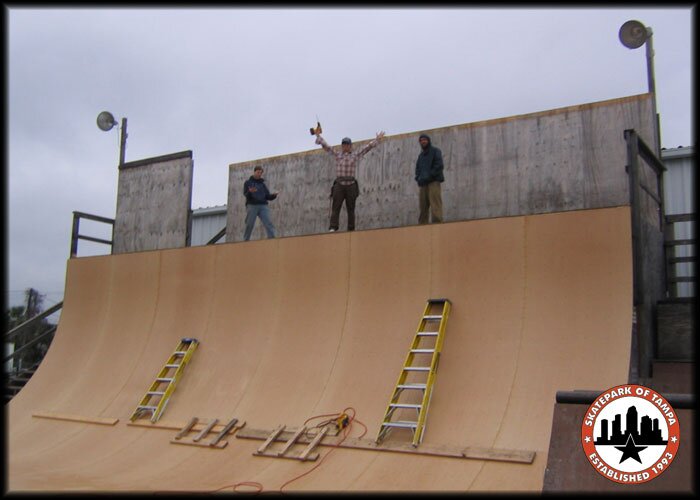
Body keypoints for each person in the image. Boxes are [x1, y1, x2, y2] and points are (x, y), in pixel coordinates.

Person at [315, 130, 385, 231]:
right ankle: (333, 227)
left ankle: (351, 228)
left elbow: (367, 148)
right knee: (336, 207)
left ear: (350, 146)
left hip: (351, 184)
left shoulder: (354, 155)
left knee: (351, 208)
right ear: (342, 146)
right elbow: (327, 147)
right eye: (343, 145)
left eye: (347, 145)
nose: (345, 147)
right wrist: (318, 136)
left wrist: (377, 139)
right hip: (339, 184)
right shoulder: (338, 155)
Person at [415, 133, 444, 224]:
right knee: (423, 206)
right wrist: (418, 178)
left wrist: (429, 175)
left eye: (424, 140)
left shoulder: (436, 151)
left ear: (428, 141)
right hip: (423, 183)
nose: (423, 142)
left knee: (435, 203)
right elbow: (417, 169)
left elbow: (439, 165)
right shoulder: (421, 156)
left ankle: (437, 223)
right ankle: (423, 224)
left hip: (433, 182)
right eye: (421, 140)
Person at [243, 165, 279, 241]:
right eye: (258, 172)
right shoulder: (248, 183)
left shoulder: (262, 185)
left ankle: (272, 239)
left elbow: (267, 196)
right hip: (252, 205)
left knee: (268, 222)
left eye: (260, 173)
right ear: (254, 172)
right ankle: (245, 240)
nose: (259, 174)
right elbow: (245, 194)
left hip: (263, 206)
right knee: (249, 224)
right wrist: (250, 192)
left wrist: (274, 195)